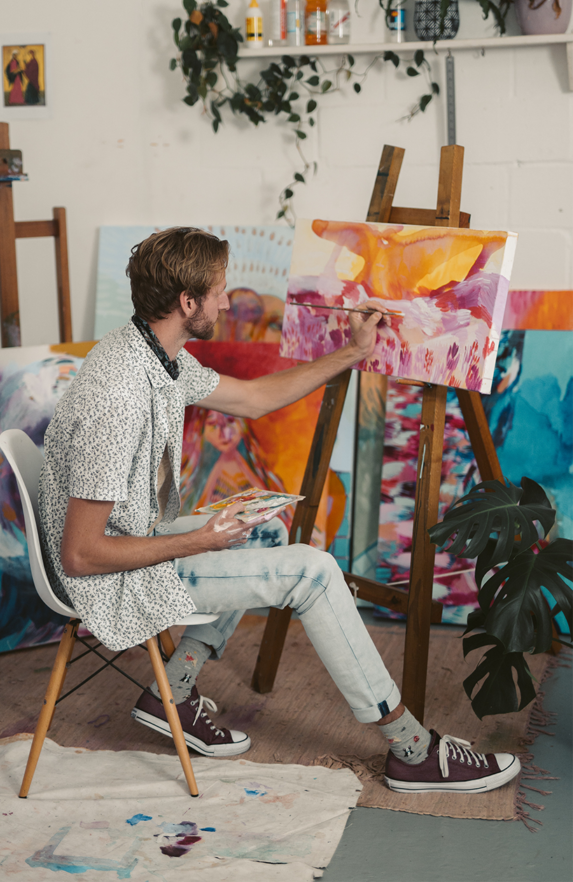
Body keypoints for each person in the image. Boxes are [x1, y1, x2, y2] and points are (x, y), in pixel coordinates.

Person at [38, 227, 521, 795]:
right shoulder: (116, 394)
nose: (225, 301)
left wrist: (352, 353)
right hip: (105, 578)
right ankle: (411, 749)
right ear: (187, 303)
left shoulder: (152, 353)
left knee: (259, 525)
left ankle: (173, 687)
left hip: (131, 539)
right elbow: (82, 553)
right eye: (218, 292)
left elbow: (253, 399)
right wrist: (199, 541)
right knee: (313, 573)